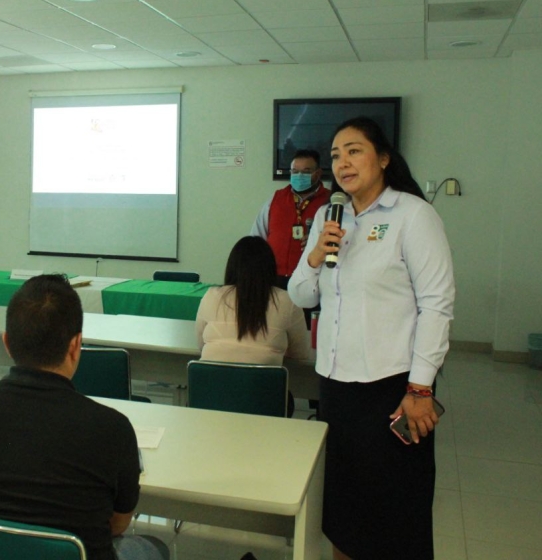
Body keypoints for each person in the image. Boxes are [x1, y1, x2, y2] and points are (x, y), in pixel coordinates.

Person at [289, 117, 455, 560]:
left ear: (383, 158)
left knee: (396, 510)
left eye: (354, 150)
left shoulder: (413, 215)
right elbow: (302, 293)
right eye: (336, 155)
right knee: (344, 508)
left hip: (394, 387)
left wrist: (421, 388)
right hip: (337, 385)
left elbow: (437, 305)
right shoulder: (329, 215)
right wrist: (314, 255)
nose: (342, 162)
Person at [0, 275, 169, 560]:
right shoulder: (111, 427)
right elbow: (118, 524)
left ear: (7, 343)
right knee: (152, 548)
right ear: (76, 346)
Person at [195, 236, 310, 417]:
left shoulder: (211, 296)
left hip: (210, 403)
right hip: (263, 407)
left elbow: (201, 346)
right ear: (271, 268)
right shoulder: (287, 302)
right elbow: (302, 355)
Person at [250, 149, 331, 290]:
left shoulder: (330, 202)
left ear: (318, 174)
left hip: (313, 280)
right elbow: (256, 239)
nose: (299, 176)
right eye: (294, 171)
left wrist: (316, 242)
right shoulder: (276, 199)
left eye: (306, 172)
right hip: (273, 280)